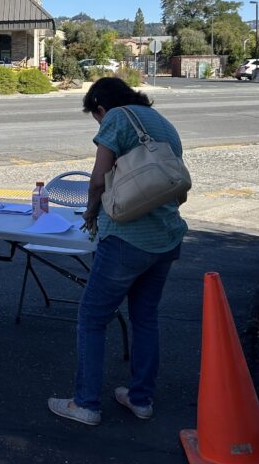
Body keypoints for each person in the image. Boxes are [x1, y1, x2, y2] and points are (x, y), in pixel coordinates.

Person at [48, 77, 187, 426]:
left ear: (99, 107)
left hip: (127, 238)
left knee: (92, 318)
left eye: (95, 117)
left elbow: (97, 179)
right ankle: (141, 399)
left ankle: (86, 405)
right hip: (166, 238)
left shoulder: (115, 118)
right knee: (145, 318)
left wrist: (91, 212)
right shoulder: (162, 123)